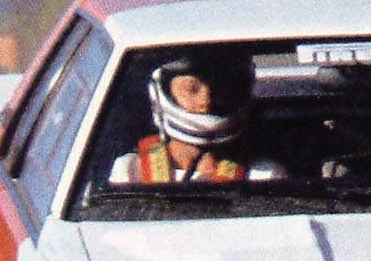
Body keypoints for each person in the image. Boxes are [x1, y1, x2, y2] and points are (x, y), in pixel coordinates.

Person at [109, 53, 280, 183]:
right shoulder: (131, 171)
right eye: (192, 89)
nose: (206, 100)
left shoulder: (263, 176)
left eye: (219, 89)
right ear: (163, 92)